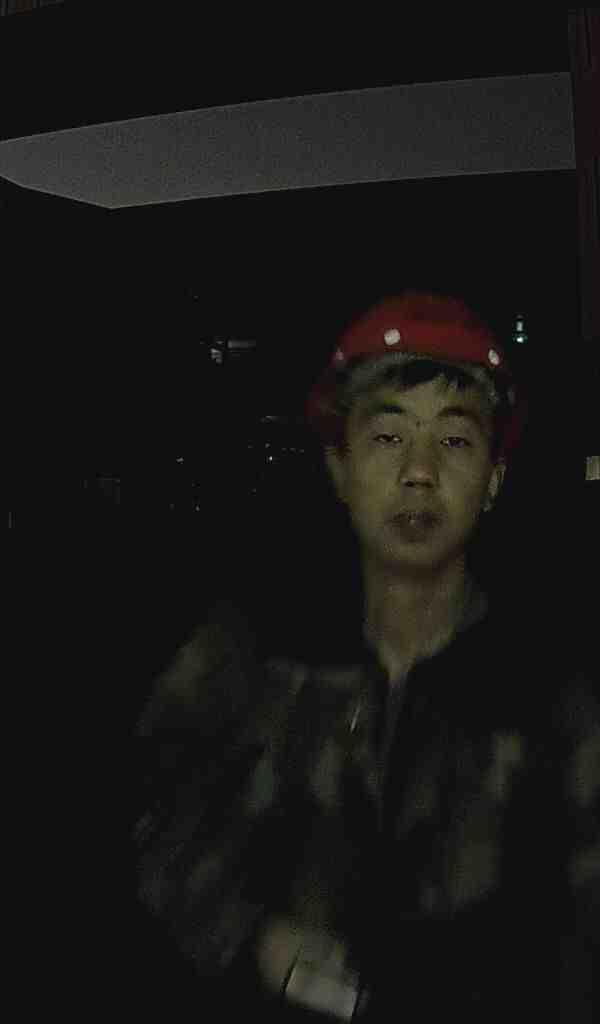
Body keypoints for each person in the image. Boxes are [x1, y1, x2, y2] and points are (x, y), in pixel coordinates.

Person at [132, 291, 598, 1022]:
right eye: (387, 436)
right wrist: (252, 937)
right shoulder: (253, 646)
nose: (420, 471)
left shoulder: (560, 686)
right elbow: (146, 811)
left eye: (455, 440)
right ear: (340, 467)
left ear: (494, 480)